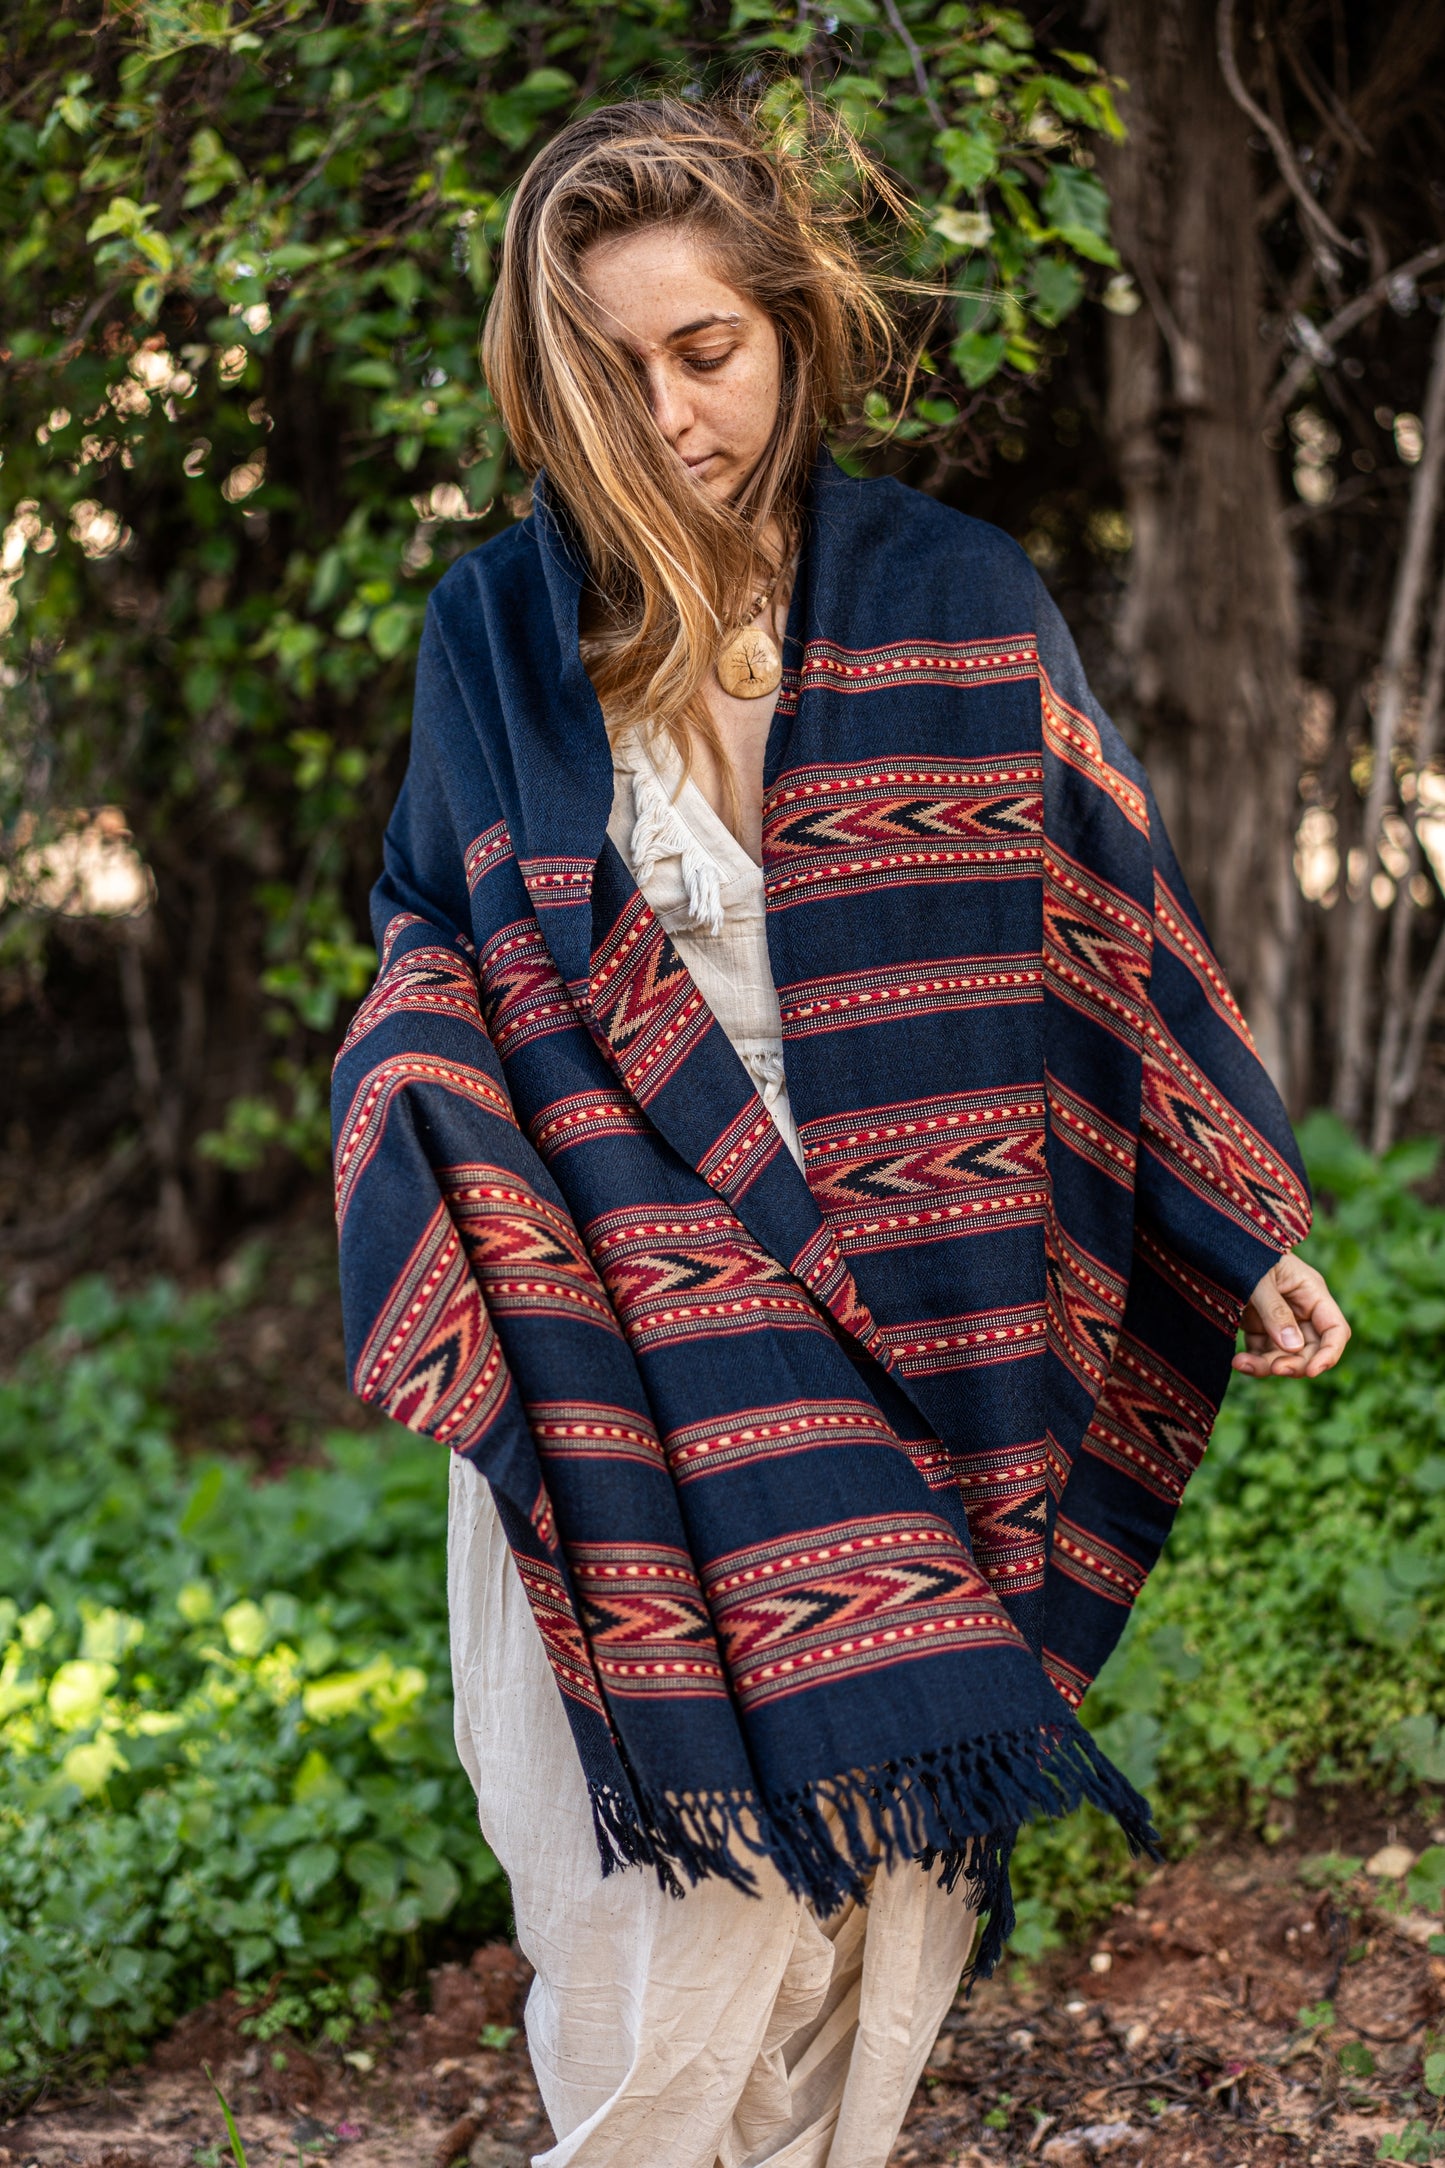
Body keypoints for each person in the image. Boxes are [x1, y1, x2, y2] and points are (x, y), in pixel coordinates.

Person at [331, 96, 1349, 2168]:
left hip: (932, 1296)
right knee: (651, 1909)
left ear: (789, 328)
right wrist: (425, 1098)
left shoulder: (958, 597)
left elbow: (1104, 920)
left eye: (704, 348)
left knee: (891, 1872)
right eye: (611, 366)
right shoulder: (497, 643)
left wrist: (1235, 1221)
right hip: (619, 1328)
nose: (669, 407)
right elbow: (430, 946)